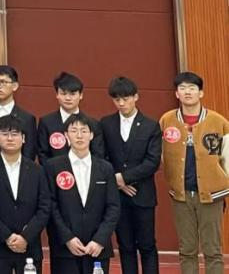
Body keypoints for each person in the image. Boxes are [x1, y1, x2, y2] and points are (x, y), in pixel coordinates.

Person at [159, 71, 229, 274]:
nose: (187, 92)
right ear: (176, 94)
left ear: (201, 93)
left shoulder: (218, 122)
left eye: (192, 88)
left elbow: (227, 158)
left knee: (213, 250)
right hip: (181, 195)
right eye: (182, 88)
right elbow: (161, 155)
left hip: (211, 195)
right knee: (187, 250)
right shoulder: (167, 120)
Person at [44, 112, 120, 274]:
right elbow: (50, 205)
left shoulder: (105, 168)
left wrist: (99, 239)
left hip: (97, 248)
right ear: (66, 135)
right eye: (74, 131)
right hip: (65, 248)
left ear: (91, 135)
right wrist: (67, 238)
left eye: (84, 131)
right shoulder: (53, 167)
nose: (79, 135)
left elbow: (113, 207)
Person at [0, 114, 52, 274]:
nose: (10, 138)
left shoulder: (37, 170)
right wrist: (7, 236)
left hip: (29, 246)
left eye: (15, 134)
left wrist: (26, 236)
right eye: (5, 134)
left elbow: (44, 207)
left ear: (23, 138)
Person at [101, 77, 161, 274]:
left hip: (143, 195)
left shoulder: (151, 125)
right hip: (117, 196)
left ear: (136, 97)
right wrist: (117, 182)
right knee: (125, 246)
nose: (121, 103)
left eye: (125, 98)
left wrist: (124, 178)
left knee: (147, 245)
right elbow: (101, 158)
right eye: (116, 99)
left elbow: (152, 162)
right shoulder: (106, 124)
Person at [38, 71, 105, 164]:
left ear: (81, 95)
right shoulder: (46, 122)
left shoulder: (93, 123)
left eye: (72, 94)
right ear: (57, 94)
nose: (68, 98)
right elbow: (43, 154)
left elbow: (98, 155)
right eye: (63, 94)